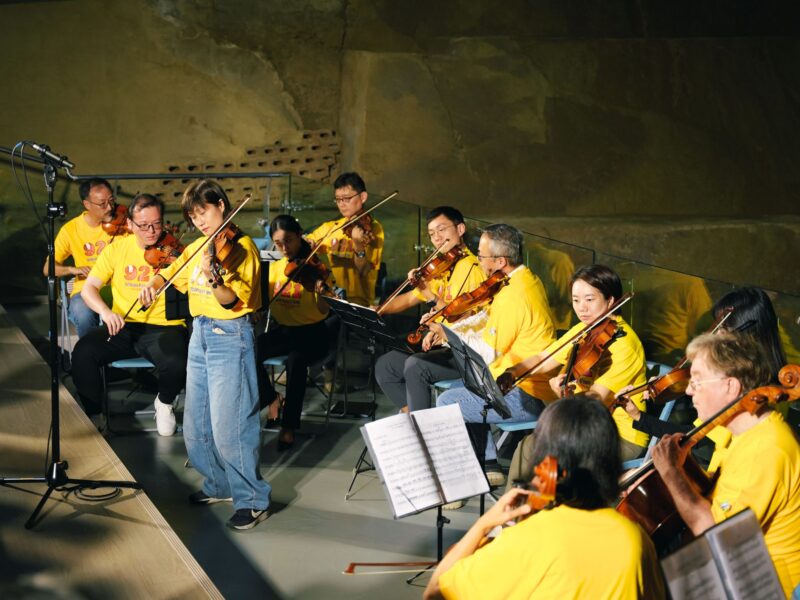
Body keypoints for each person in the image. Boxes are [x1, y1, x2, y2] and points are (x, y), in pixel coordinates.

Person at [423, 396, 665, 600]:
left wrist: (484, 524)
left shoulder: (530, 538)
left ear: (547, 463)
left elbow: (434, 593)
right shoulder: (635, 537)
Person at [140, 180, 271, 530]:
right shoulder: (199, 245)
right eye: (193, 216)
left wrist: (214, 276)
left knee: (231, 426)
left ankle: (253, 499)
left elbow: (231, 300)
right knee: (196, 425)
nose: (199, 221)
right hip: (199, 334)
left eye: (203, 212)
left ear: (221, 207)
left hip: (230, 335)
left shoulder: (242, 249)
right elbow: (170, 273)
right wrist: (152, 285)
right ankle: (219, 483)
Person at [652, 331, 800, 596]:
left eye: (697, 381)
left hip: (761, 587)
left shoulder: (766, 449)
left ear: (730, 386)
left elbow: (713, 534)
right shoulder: (738, 432)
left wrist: (671, 472)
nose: (688, 390)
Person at [431, 224, 557, 489]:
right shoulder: (522, 279)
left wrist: (447, 335)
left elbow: (487, 352)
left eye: (481, 255)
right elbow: (487, 320)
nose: (478, 260)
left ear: (500, 261)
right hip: (511, 380)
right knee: (465, 386)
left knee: (446, 402)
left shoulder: (515, 295)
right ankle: (487, 463)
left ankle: (462, 480)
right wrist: (450, 329)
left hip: (527, 394)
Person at [503, 265, 649, 488]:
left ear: (611, 301)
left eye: (590, 299)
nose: (582, 308)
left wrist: (563, 395)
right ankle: (523, 505)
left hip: (618, 436)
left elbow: (594, 401)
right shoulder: (585, 330)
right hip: (583, 424)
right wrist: (512, 372)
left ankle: (531, 505)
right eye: (576, 300)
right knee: (530, 446)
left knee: (540, 449)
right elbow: (543, 358)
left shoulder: (624, 346)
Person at [72, 193, 187, 435]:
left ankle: (164, 403)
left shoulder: (176, 252)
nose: (152, 232)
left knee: (177, 362)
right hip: (123, 325)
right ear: (130, 224)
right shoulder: (116, 249)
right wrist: (105, 312)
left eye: (157, 224)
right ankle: (96, 414)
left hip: (165, 327)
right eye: (143, 225)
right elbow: (89, 289)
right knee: (83, 352)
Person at [622, 285, 789, 440]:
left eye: (723, 330)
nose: (716, 336)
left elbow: (692, 437)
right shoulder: (738, 375)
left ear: (746, 335)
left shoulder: (754, 390)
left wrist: (639, 417)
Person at [374, 206, 485, 413]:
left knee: (415, 365)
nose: (436, 238)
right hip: (437, 342)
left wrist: (430, 297)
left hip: (461, 349)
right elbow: (409, 298)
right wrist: (377, 309)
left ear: (460, 229)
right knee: (385, 366)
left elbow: (465, 318)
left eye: (442, 230)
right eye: (432, 234)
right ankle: (411, 414)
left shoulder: (472, 269)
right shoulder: (441, 269)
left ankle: (422, 424)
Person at [256, 214, 334, 451]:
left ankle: (288, 426)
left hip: (314, 334)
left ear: (300, 236)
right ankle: (271, 398)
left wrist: (322, 291)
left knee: (296, 361)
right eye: (278, 243)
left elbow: (324, 311)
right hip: (285, 331)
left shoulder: (316, 267)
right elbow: (261, 300)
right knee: (249, 349)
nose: (284, 248)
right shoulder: (274, 267)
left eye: (289, 240)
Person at [44, 178, 117, 338]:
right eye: (102, 204)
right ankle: (89, 351)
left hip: (119, 287)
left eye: (112, 200)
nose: (110, 207)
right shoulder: (71, 229)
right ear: (87, 204)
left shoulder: (122, 224)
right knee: (82, 313)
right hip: (86, 288)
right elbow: (48, 268)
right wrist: (72, 269)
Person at [305, 172, 384, 307]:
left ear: (363, 197)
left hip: (360, 303)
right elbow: (306, 241)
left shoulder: (373, 229)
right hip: (334, 298)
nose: (342, 204)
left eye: (346, 198)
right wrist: (308, 242)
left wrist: (358, 244)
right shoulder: (332, 227)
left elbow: (364, 270)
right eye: (338, 199)